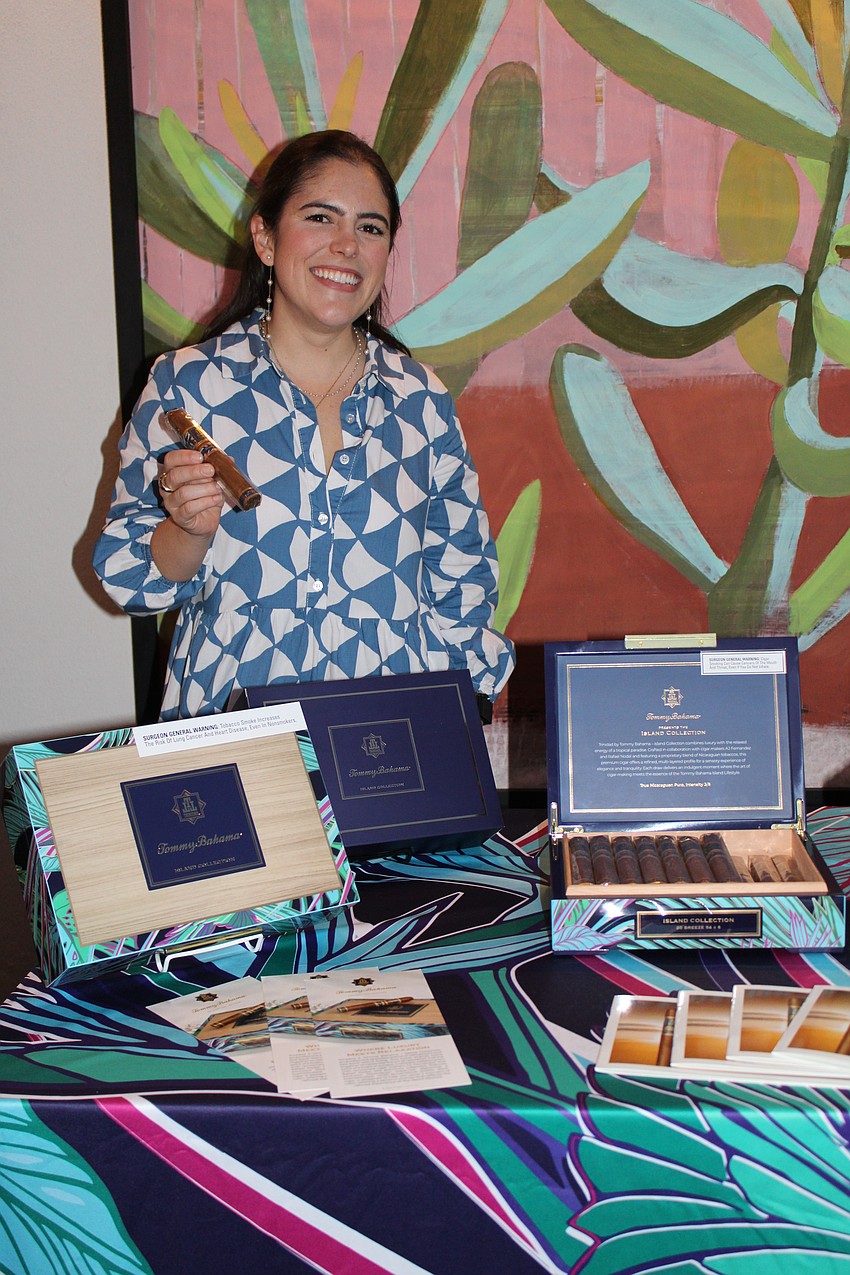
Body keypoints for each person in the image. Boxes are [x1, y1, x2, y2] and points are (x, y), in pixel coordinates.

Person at [94, 130, 515, 720]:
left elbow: (462, 585)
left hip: (393, 735)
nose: (347, 245)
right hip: (235, 726)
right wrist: (189, 530)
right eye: (321, 218)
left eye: (371, 228)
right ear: (265, 238)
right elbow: (132, 580)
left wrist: (467, 713)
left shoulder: (421, 401)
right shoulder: (188, 388)